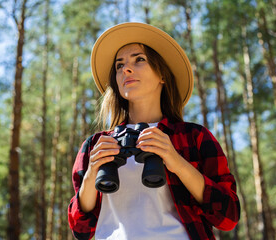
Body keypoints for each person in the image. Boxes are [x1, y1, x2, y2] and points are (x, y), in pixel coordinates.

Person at [68, 22, 240, 240]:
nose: (126, 69)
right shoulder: (95, 144)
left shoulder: (194, 137)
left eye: (139, 59)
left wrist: (175, 161)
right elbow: (80, 230)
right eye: (119, 65)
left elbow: (228, 217)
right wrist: (93, 172)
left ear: (163, 75)